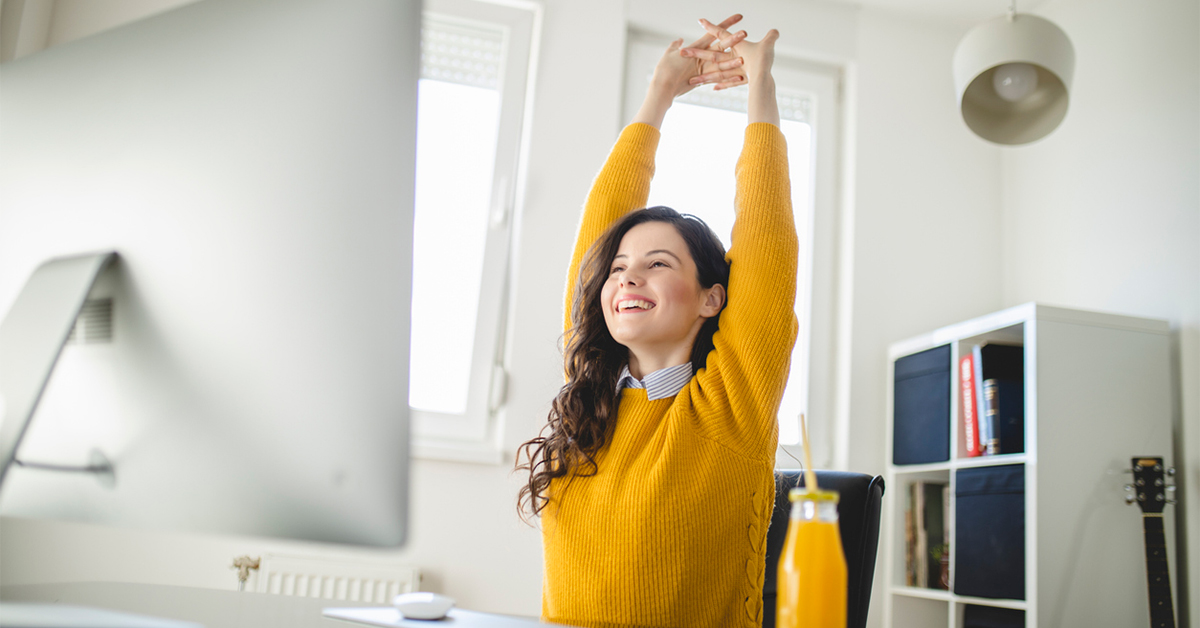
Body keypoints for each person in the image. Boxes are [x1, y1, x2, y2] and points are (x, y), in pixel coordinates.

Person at [515, 14, 797, 628]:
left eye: (658, 263)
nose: (625, 279)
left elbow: (767, 241)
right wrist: (658, 94)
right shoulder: (589, 395)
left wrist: (760, 87)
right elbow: (601, 231)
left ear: (711, 299)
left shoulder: (731, 405)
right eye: (618, 269)